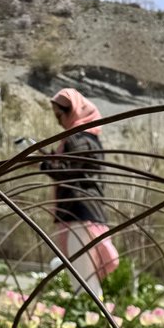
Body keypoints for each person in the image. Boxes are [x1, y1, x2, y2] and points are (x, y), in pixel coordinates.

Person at [41, 89, 119, 296]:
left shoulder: (77, 138)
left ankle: (91, 319)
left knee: (82, 277)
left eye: (60, 116)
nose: (59, 122)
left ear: (73, 111)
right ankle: (91, 317)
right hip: (85, 212)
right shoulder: (89, 138)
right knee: (83, 274)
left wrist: (46, 165)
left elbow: (71, 173)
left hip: (80, 212)